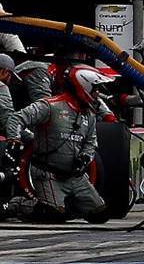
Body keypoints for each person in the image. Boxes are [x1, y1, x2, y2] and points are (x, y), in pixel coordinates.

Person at [8, 66, 114, 221]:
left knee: (101, 215)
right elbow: (16, 118)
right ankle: (17, 204)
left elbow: (91, 142)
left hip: (75, 176)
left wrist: (85, 157)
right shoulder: (50, 106)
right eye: (95, 89)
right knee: (53, 214)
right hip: (48, 174)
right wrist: (14, 139)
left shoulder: (89, 115)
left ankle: (66, 207)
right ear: (84, 86)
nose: (97, 94)